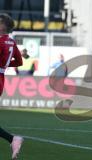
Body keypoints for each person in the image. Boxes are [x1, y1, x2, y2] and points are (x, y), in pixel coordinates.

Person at [0, 13, 24, 159]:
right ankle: (13, 139)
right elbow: (19, 62)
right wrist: (5, 65)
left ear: (3, 26)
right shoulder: (11, 42)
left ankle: (13, 139)